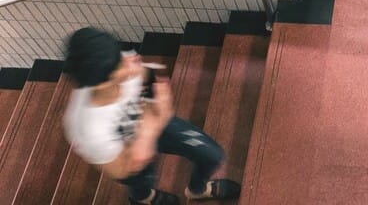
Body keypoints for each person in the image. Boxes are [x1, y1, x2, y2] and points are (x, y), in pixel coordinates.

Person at [62, 28, 240, 205]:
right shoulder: (90, 130)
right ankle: (143, 198)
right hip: (127, 152)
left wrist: (153, 110)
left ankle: (197, 190)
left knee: (212, 155)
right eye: (122, 64)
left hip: (148, 122)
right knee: (142, 180)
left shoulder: (111, 59)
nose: (132, 59)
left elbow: (149, 77)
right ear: (101, 85)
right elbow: (124, 170)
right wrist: (150, 129)